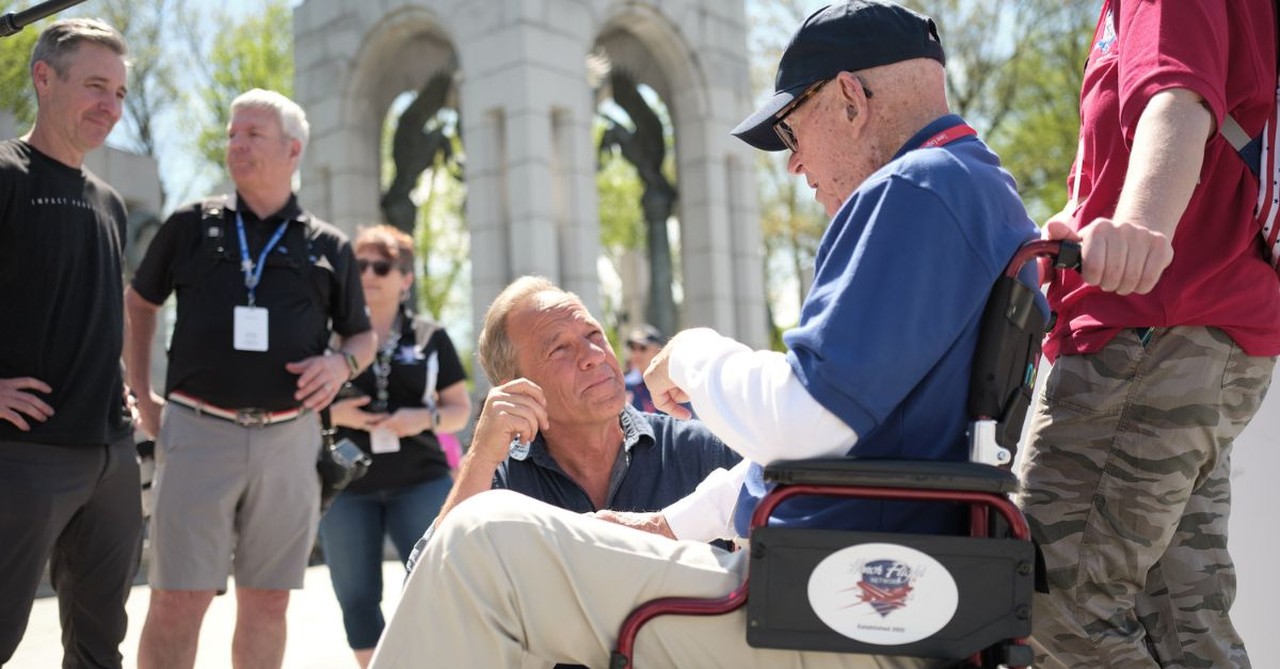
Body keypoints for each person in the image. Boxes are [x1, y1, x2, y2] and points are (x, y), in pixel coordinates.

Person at [369, 3, 1039, 667]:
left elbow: (805, 421)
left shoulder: (916, 187)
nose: (792, 164)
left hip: (842, 600)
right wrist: (673, 523)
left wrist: (691, 351)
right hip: (863, 588)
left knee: (484, 542)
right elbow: (844, 440)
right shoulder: (971, 187)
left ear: (850, 98)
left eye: (791, 130)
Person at [1014, 3, 1280, 668]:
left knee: (1050, 606)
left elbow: (1178, 99)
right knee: (1180, 618)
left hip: (1149, 336)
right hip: (1200, 338)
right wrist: (1090, 213)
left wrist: (1141, 226)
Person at [124, 88, 376, 669]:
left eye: (252, 135)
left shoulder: (330, 245)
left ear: (292, 150)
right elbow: (140, 304)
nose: (236, 144)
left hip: (291, 440)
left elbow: (361, 336)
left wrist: (341, 363)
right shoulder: (190, 225)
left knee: (267, 604)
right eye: (232, 134)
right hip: (196, 432)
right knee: (177, 600)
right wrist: (143, 395)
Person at [0, 18, 141, 669]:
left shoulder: (109, 202)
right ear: (43, 78)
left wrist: (123, 391)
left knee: (98, 646)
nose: (109, 106)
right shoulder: (4, 172)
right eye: (94, 86)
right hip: (23, 455)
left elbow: (94, 315)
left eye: (118, 91)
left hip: (111, 455)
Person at [318, 224, 471, 668]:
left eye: (381, 265)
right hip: (346, 486)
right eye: (359, 264)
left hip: (420, 481)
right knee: (357, 597)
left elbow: (458, 409)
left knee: (434, 586)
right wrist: (335, 415)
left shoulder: (430, 336)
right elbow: (297, 404)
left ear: (405, 278)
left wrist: (421, 419)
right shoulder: (329, 336)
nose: (368, 273)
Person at [623, 324, 664, 412]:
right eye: (633, 348)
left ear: (657, 350)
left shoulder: (669, 383)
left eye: (643, 348)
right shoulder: (623, 384)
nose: (636, 353)